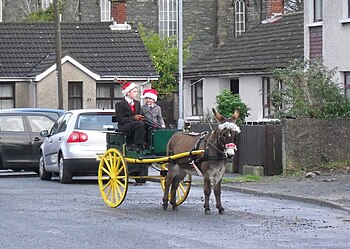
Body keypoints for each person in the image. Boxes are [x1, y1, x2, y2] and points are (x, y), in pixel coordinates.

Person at [115, 81, 145, 151]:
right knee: (139, 124)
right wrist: (134, 118)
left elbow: (140, 114)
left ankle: (147, 144)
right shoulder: (120, 104)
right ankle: (137, 145)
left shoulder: (137, 103)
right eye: (134, 92)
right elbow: (120, 120)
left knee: (148, 125)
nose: (136, 94)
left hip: (135, 124)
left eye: (137, 92)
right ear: (128, 93)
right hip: (124, 126)